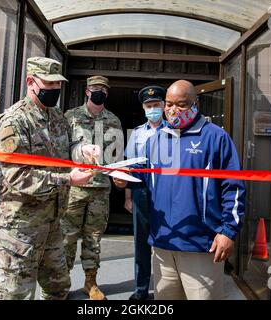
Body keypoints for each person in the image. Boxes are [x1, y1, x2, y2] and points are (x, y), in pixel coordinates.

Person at [114, 80, 246, 300]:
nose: (173, 110)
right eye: (169, 104)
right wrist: (125, 178)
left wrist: (227, 231)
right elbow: (143, 174)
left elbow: (234, 187)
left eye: (181, 105)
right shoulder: (156, 139)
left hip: (201, 246)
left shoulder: (215, 137)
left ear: (196, 104)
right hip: (163, 243)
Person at [0, 57, 98, 300]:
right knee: (15, 294)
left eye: (57, 84)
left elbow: (68, 145)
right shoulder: (13, 121)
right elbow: (17, 176)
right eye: (49, 84)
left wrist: (83, 150)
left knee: (58, 288)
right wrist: (68, 180)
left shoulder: (55, 116)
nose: (55, 90)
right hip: (21, 228)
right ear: (31, 82)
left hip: (52, 222)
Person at [62, 76, 123, 300]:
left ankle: (91, 283)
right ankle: (63, 282)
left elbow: (118, 156)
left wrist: (119, 176)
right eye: (95, 89)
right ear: (87, 91)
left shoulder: (113, 121)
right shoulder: (71, 117)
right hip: (75, 187)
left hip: (100, 188)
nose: (99, 92)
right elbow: (61, 148)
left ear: (107, 93)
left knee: (93, 238)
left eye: (103, 90)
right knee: (67, 237)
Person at [124, 85, 167, 301]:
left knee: (164, 242)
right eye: (149, 106)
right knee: (141, 244)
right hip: (141, 192)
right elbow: (129, 169)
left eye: (156, 105)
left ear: (164, 106)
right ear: (143, 108)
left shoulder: (175, 132)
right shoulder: (137, 134)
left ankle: (164, 290)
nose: (153, 109)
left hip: (166, 194)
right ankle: (141, 290)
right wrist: (128, 197)